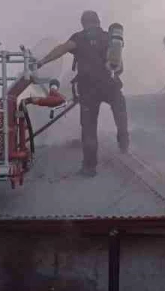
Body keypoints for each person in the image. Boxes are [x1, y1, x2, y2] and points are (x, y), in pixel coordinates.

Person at [35, 10, 129, 177]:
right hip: (111, 85)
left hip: (89, 89)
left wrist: (42, 61)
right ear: (98, 21)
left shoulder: (79, 37)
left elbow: (62, 49)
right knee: (120, 114)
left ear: (83, 23)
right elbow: (119, 66)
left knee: (89, 129)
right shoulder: (110, 37)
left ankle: (89, 167)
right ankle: (123, 139)